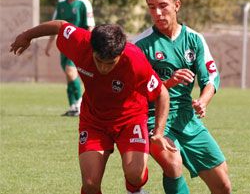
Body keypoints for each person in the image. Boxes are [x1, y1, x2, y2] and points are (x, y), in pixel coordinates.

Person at [10, 20, 177, 194]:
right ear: (92, 49)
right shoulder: (80, 42)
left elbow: (161, 94)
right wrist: (27, 35)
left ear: (120, 54)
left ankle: (136, 191)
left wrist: (158, 133)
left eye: (110, 63)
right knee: (90, 184)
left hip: (130, 119)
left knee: (135, 175)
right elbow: (60, 26)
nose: (104, 67)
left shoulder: (134, 60)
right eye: (98, 60)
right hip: (94, 121)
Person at [133, 0, 231, 194]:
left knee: (223, 186)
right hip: (154, 118)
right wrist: (168, 82)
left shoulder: (194, 40)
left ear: (177, 5)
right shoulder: (139, 45)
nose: (157, 13)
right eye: (152, 7)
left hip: (187, 118)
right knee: (173, 163)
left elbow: (211, 78)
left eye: (163, 6)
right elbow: (135, 93)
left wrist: (203, 101)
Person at [45, 0, 95, 117]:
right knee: (69, 75)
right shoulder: (61, 4)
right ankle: (73, 105)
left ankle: (80, 104)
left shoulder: (84, 3)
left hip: (80, 45)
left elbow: (90, 26)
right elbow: (54, 25)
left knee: (70, 71)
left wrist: (91, 46)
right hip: (64, 46)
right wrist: (49, 45)